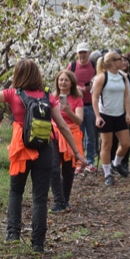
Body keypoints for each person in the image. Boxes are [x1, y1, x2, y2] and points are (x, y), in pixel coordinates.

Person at [0, 59, 85, 254]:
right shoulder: (47, 96)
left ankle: (13, 233)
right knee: (40, 197)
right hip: (44, 148)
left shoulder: (14, 95)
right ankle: (38, 243)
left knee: (16, 191)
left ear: (18, 75)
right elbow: (62, 126)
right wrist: (77, 152)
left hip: (21, 148)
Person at [92, 50, 130, 186]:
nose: (123, 61)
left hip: (120, 114)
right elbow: (95, 97)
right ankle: (107, 173)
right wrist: (97, 116)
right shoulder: (102, 77)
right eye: (120, 59)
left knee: (126, 143)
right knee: (107, 145)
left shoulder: (123, 76)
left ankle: (116, 163)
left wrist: (128, 113)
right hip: (105, 115)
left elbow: (126, 96)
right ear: (113, 63)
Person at [49, 70, 84, 213]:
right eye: (60, 80)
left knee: (68, 171)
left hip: (71, 136)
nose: (63, 82)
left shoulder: (77, 99)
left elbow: (79, 120)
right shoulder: (52, 97)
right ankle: (58, 200)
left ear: (71, 83)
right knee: (54, 168)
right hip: (55, 135)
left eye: (66, 80)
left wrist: (68, 110)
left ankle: (65, 200)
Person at [68, 42, 98, 174]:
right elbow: (65, 81)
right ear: (77, 54)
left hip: (91, 105)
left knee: (91, 136)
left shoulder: (94, 66)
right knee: (78, 135)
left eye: (85, 52)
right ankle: (79, 161)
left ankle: (90, 161)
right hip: (76, 107)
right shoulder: (72, 66)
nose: (82, 55)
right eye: (80, 53)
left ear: (89, 53)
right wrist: (78, 88)